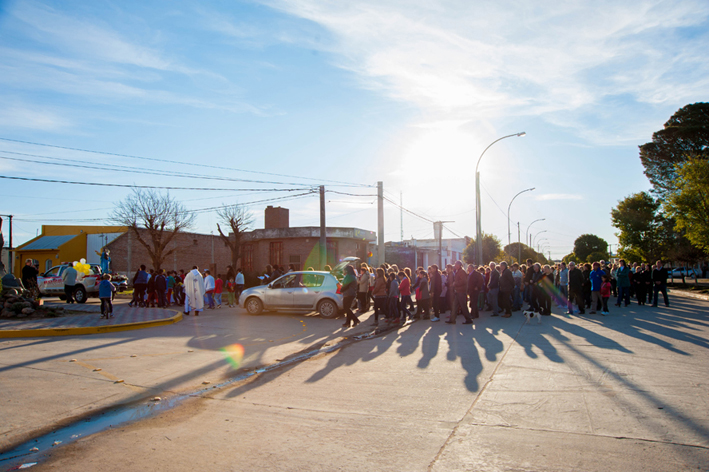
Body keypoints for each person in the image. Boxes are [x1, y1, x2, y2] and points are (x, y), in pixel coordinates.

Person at [447, 261, 473, 325]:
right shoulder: (459, 271)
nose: (455, 266)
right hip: (458, 291)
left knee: (463, 306)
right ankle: (452, 319)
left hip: (461, 291)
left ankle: (468, 319)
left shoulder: (461, 272)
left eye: (456, 265)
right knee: (455, 306)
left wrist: (455, 283)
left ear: (459, 265)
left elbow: (463, 281)